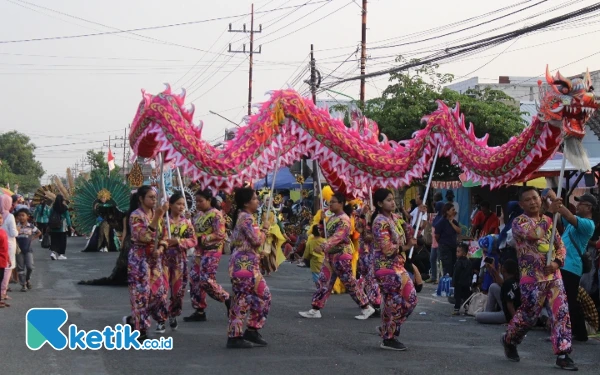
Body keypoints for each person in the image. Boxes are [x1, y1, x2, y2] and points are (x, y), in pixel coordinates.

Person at [501, 186, 576, 371]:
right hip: (532, 280)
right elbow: (535, 234)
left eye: (535, 198)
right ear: (521, 204)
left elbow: (560, 246)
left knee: (561, 313)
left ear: (540, 199)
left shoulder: (550, 220)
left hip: (553, 277)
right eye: (528, 199)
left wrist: (558, 262)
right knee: (529, 316)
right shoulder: (519, 223)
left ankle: (563, 354)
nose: (533, 202)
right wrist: (549, 214)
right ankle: (509, 339)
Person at [298, 192, 375, 320]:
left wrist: (323, 246)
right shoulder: (333, 218)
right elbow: (325, 235)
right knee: (323, 281)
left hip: (341, 256)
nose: (330, 204)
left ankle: (366, 307)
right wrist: (322, 223)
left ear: (341, 204)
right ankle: (315, 309)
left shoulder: (344, 219)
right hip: (330, 257)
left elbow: (337, 237)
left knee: (349, 283)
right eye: (330, 201)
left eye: (333, 201)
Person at [370, 188, 418, 350]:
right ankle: (389, 336)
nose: (393, 202)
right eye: (388, 200)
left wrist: (420, 214)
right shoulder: (379, 221)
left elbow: (409, 229)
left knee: (407, 300)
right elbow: (388, 249)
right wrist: (406, 246)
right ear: (379, 203)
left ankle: (387, 330)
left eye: (393, 199)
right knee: (396, 302)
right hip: (386, 268)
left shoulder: (395, 218)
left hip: (398, 266)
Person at [546, 191, 596, 342]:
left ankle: (580, 333)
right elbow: (560, 216)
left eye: (581, 203)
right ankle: (571, 332)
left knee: (569, 301)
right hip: (563, 264)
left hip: (571, 266)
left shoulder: (588, 224)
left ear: (589, 208)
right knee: (563, 300)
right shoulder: (576, 222)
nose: (577, 205)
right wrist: (548, 203)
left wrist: (554, 197)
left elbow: (567, 215)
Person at [227, 188, 271, 349]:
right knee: (241, 300)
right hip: (242, 265)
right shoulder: (245, 218)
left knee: (264, 295)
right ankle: (234, 336)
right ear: (246, 202)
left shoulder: (247, 217)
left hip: (251, 265)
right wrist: (265, 229)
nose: (257, 201)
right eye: (254, 199)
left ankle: (252, 329)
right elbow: (256, 241)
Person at [123, 186, 168, 342]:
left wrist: (161, 248)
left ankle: (135, 320)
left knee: (159, 294)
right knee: (140, 294)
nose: (154, 200)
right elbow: (143, 236)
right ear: (141, 199)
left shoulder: (158, 214)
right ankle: (139, 328)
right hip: (139, 260)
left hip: (155, 260)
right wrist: (158, 216)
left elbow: (164, 237)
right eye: (150, 197)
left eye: (155, 197)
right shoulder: (136, 216)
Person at [186, 188, 230, 323]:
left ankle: (226, 298)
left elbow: (220, 234)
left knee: (206, 279)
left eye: (201, 201)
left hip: (212, 250)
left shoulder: (216, 215)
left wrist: (202, 239)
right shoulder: (197, 215)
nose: (198, 204)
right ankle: (199, 309)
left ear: (209, 200)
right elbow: (191, 232)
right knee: (194, 279)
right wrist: (187, 222)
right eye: (196, 201)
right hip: (199, 251)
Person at [163, 192, 197, 331]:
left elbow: (193, 240)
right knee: (161, 291)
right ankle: (160, 318)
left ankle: (173, 313)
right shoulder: (163, 221)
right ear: (170, 205)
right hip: (163, 260)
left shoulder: (186, 223)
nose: (181, 207)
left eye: (183, 204)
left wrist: (178, 241)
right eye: (178, 204)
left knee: (177, 292)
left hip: (179, 261)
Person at [476, 259, 520, 324]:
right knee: (493, 286)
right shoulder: (513, 281)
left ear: (504, 269)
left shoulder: (508, 284)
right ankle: (488, 312)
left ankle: (487, 314)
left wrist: (515, 321)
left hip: (508, 315)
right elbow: (500, 283)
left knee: (478, 316)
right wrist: (493, 271)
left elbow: (510, 305)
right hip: (511, 311)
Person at [355, 204, 381, 312]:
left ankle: (376, 304)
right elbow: (359, 229)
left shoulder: (382, 218)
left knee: (372, 278)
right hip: (364, 253)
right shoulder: (363, 215)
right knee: (363, 276)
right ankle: (366, 300)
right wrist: (362, 214)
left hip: (375, 253)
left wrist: (373, 237)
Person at [14, 206, 40, 292]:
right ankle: (23, 285)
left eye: (23, 215)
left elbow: (39, 232)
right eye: (19, 216)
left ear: (27, 216)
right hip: (18, 250)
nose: (21, 217)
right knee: (20, 268)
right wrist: (17, 230)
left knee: (30, 267)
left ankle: (27, 279)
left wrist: (32, 238)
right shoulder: (15, 226)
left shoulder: (31, 226)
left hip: (28, 249)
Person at [434, 203, 461, 277]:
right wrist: (442, 243)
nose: (454, 211)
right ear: (447, 211)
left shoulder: (454, 221)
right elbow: (437, 236)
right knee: (447, 267)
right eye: (452, 210)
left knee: (453, 266)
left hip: (453, 247)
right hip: (445, 248)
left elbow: (459, 231)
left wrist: (451, 223)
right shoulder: (441, 222)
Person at [1, 195, 17, 302]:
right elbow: (13, 233)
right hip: (8, 245)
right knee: (7, 269)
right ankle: (3, 292)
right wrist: (18, 230)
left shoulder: (1, 215)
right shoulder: (10, 216)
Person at [48, 194, 74, 260]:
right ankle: (60, 255)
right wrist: (70, 226)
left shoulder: (53, 207)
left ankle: (53, 253)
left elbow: (49, 215)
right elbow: (67, 217)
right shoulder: (64, 208)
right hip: (62, 227)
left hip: (53, 227)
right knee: (62, 241)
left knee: (54, 240)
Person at [452, 243, 472, 315]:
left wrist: (453, 282)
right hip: (466, 282)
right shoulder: (469, 262)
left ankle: (456, 309)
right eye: (456, 251)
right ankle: (467, 309)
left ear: (464, 253)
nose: (456, 253)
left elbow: (456, 273)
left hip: (459, 283)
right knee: (466, 296)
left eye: (458, 252)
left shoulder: (458, 262)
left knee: (458, 297)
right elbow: (470, 272)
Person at [428, 201, 445, 284]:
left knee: (439, 262)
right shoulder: (437, 217)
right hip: (434, 243)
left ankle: (440, 278)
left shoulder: (443, 217)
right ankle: (433, 277)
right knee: (432, 259)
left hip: (439, 242)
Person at [0, 214, 9, 308]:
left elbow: (5, 247)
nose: (0, 220)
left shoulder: (2, 231)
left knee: (1, 279)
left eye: (1, 218)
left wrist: (8, 258)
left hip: (3, 259)